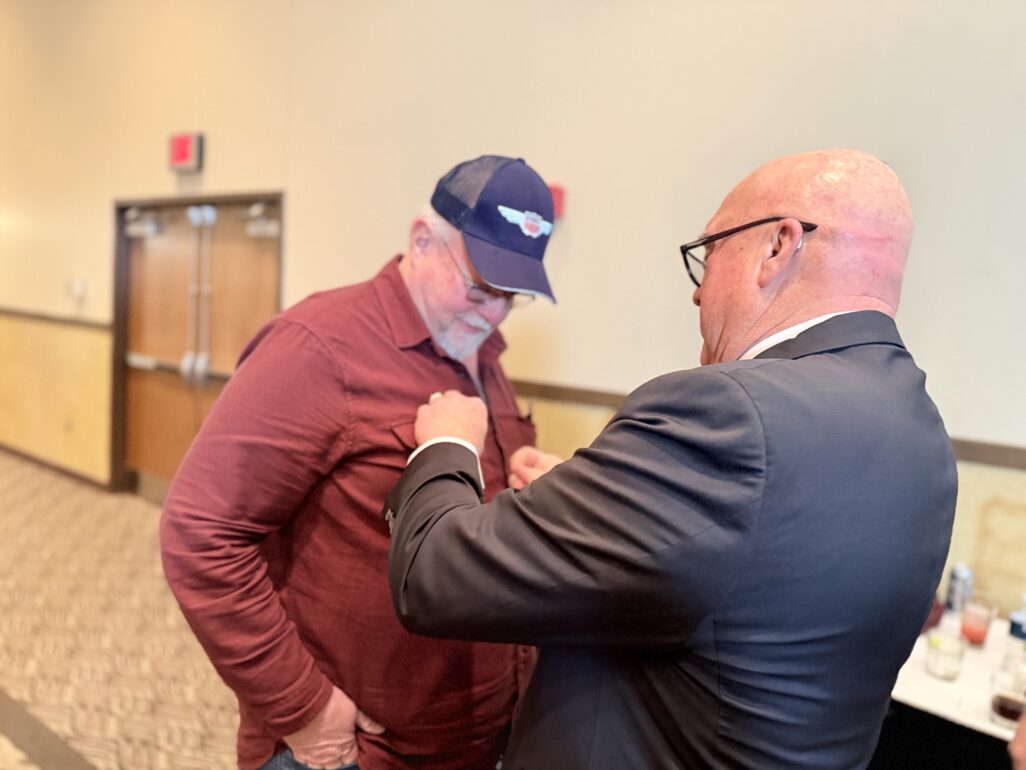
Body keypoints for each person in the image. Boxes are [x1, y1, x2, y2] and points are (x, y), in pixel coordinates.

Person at [385, 149, 958, 769]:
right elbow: (742, 559)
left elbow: (431, 574)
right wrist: (603, 509)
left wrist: (447, 444)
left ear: (777, 247)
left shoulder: (729, 413)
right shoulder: (919, 428)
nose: (697, 292)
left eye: (709, 252)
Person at [160, 155, 558, 770]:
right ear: (422, 241)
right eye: (481, 288)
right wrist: (305, 709)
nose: (494, 313)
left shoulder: (478, 347)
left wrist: (527, 488)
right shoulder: (319, 346)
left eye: (513, 297)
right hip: (355, 751)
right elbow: (199, 534)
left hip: (471, 743)